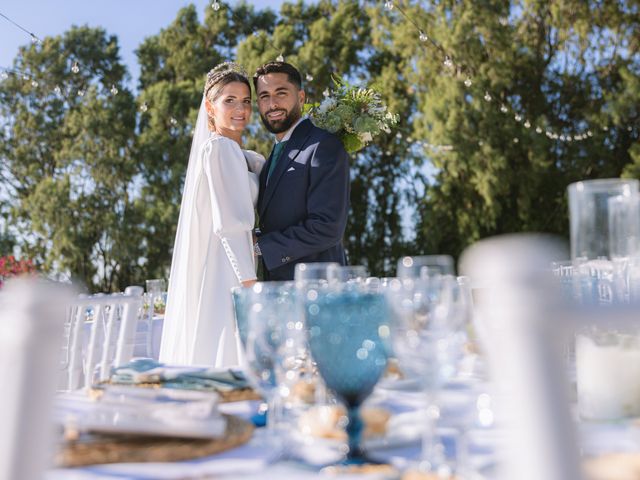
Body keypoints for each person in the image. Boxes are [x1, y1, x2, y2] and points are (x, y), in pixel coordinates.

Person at [159, 63, 264, 367]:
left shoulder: (234, 152)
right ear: (209, 107)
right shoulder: (219, 149)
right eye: (229, 100)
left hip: (230, 258)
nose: (240, 109)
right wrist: (250, 287)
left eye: (246, 101)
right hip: (230, 267)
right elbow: (231, 225)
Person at [253, 62, 350, 281]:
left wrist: (261, 247)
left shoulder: (323, 145)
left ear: (301, 97)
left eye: (281, 93)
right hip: (279, 293)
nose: (272, 104)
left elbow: (327, 227)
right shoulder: (271, 160)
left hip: (317, 291)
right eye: (264, 96)